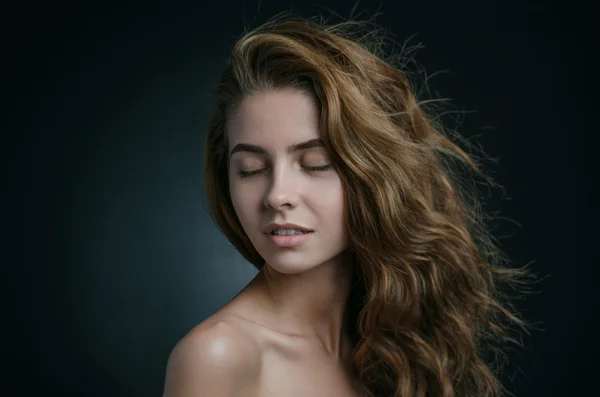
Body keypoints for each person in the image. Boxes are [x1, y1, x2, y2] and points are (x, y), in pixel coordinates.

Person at [162, 13, 529, 397]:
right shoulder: (217, 356)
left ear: (374, 172)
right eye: (251, 169)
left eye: (315, 164)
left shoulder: (395, 339)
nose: (276, 195)